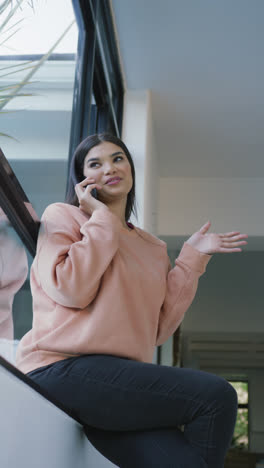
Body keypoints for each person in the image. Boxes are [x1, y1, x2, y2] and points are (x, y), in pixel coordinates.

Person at [15, 133, 248, 468]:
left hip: (115, 385)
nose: (110, 167)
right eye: (95, 164)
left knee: (183, 462)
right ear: (83, 180)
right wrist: (102, 219)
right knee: (217, 396)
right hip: (60, 369)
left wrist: (192, 258)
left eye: (118, 158)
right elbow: (71, 289)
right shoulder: (64, 217)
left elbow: (157, 328)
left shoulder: (151, 247)